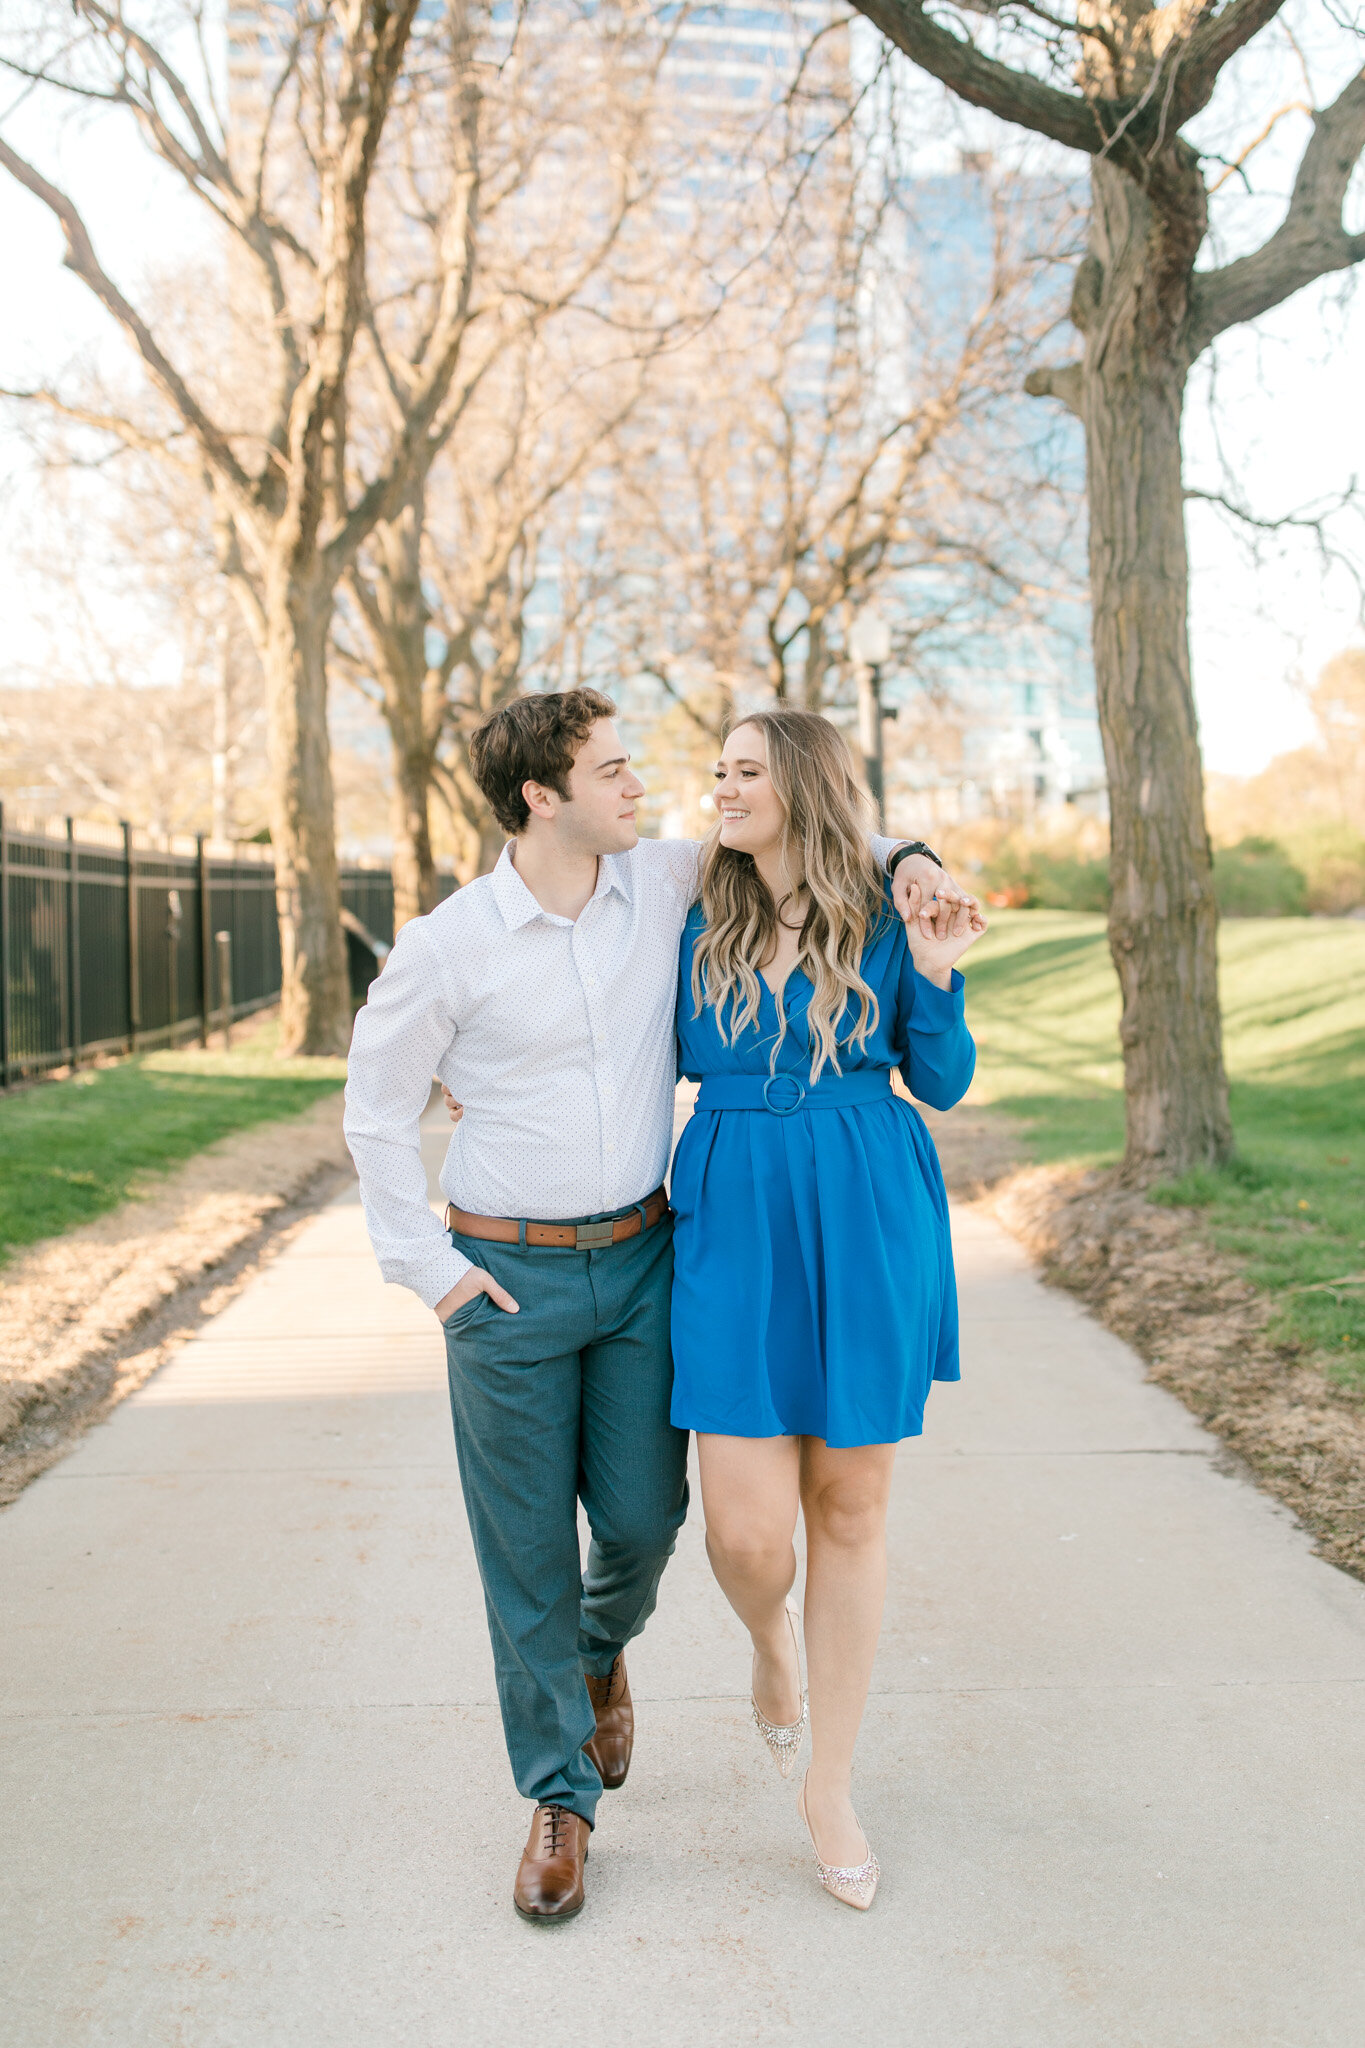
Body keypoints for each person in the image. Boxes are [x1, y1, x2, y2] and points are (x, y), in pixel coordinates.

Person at [345, 686, 976, 1924]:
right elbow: (384, 1105)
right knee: (671, 1539)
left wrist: (923, 880)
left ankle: (763, 1743)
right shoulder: (554, 925)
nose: (670, 788)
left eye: (734, 771)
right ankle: (570, 1788)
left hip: (759, 1237)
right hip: (619, 1253)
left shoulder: (688, 887)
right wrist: (430, 1258)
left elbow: (875, 886)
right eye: (617, 769)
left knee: (659, 1517)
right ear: (543, 795)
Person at [668, 708, 981, 1909]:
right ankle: (769, 1643)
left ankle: (832, 1782)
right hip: (737, 1210)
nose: (722, 786)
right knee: (746, 1532)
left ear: (799, 782)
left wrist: (940, 970)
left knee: (851, 1501)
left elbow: (943, 1081)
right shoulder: (696, 904)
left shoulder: (894, 910)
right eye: (719, 771)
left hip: (866, 1207)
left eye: (744, 770)